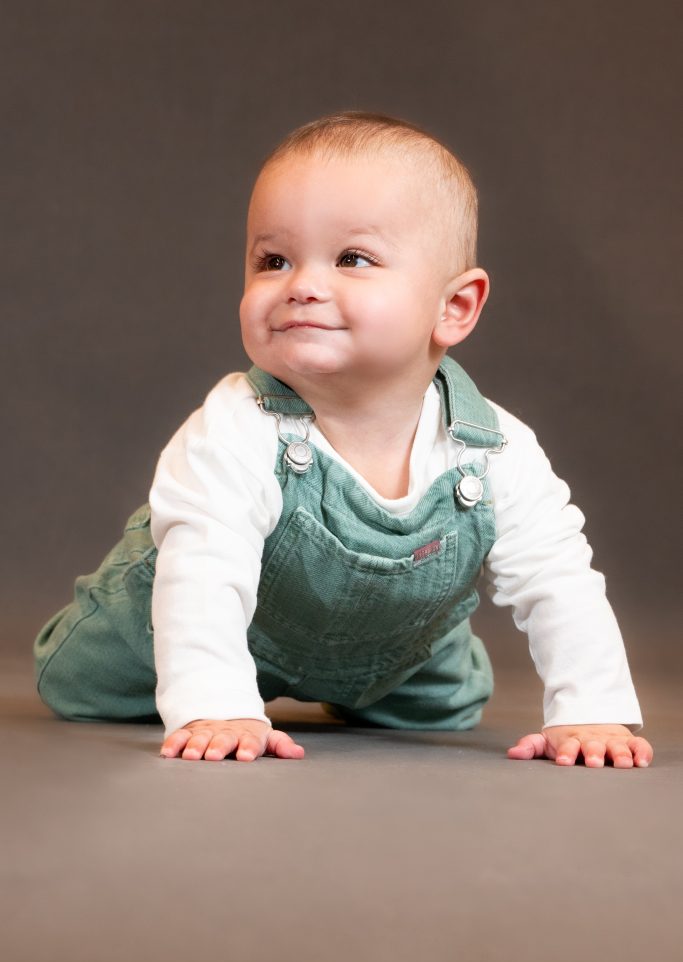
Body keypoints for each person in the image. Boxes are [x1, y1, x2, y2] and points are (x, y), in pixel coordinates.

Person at [34, 111, 653, 769]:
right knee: (77, 684)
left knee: (451, 708)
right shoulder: (238, 424)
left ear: (454, 307)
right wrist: (216, 706)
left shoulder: (493, 450)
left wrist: (591, 711)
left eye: (352, 259)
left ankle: (366, 682)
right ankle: (206, 677)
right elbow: (204, 573)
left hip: (384, 652)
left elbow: (559, 580)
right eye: (273, 260)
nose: (301, 285)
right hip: (178, 626)